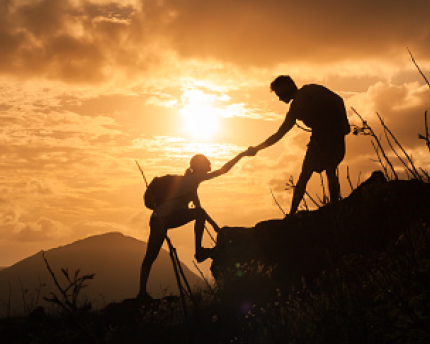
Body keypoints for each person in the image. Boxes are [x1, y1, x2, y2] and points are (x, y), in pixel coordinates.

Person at [138, 151, 247, 300]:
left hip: (157, 219)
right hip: (168, 218)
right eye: (207, 162)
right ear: (200, 167)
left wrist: (214, 226)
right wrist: (242, 155)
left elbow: (200, 210)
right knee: (151, 255)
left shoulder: (189, 183)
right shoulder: (194, 179)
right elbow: (223, 171)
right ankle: (199, 252)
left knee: (150, 256)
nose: (209, 163)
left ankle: (141, 293)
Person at [247, 75, 350, 215]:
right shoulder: (295, 108)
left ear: (285, 90)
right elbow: (279, 134)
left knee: (328, 171)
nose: (278, 98)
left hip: (331, 136)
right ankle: (292, 213)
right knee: (306, 175)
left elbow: (338, 100)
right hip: (319, 139)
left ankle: (335, 207)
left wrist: (343, 126)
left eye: (278, 94)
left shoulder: (311, 91)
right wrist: (257, 148)